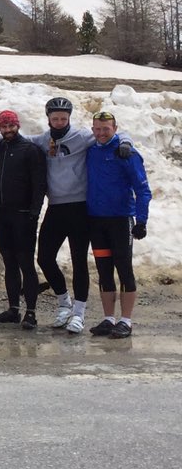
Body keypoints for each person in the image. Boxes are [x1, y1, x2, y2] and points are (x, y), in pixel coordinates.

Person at [22, 97, 133, 333]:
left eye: (64, 118)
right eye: (55, 118)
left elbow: (111, 134)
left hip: (80, 208)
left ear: (69, 118)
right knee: (44, 258)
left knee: (79, 261)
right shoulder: (44, 139)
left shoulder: (82, 136)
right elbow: (21, 140)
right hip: (56, 207)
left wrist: (126, 141)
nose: (60, 122)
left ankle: (79, 314)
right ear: (49, 118)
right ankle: (64, 302)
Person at [86, 111, 151, 339]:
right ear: (92, 129)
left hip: (121, 219)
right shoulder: (91, 150)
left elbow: (143, 189)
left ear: (115, 128)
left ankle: (126, 320)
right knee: (104, 271)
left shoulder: (126, 153)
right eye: (98, 129)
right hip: (96, 220)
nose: (101, 133)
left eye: (106, 129)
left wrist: (141, 220)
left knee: (124, 269)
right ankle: (108, 318)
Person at [0, 110, 47, 330]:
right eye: (3, 127)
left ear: (18, 125)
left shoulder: (30, 150)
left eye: (11, 126)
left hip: (24, 215)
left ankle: (31, 312)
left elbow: (39, 183)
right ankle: (13, 309)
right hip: (3, 214)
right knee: (9, 262)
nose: (7, 131)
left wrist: (34, 212)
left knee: (25, 263)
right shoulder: (0, 147)